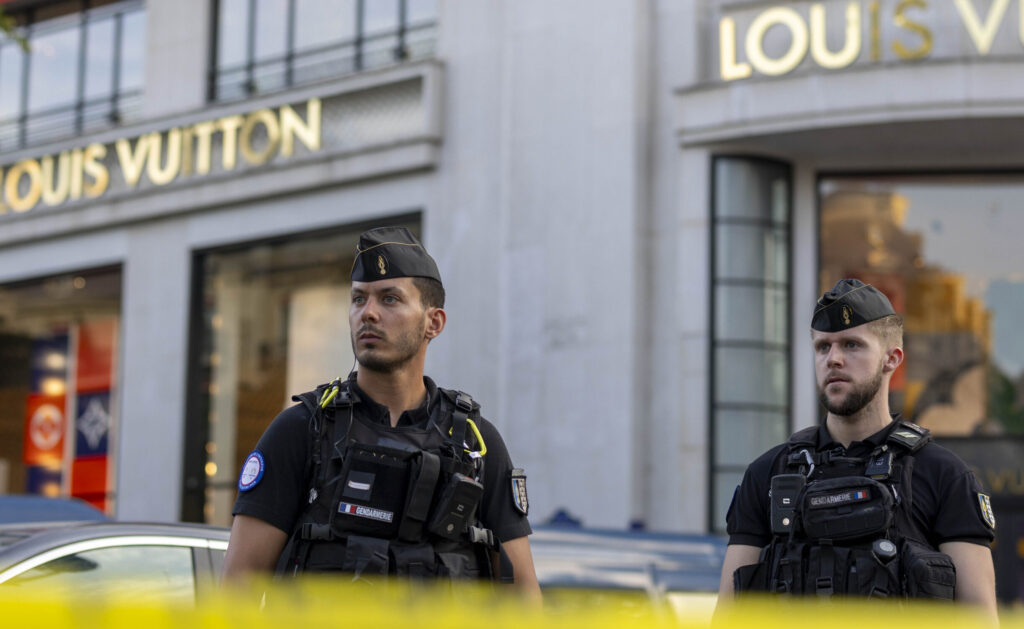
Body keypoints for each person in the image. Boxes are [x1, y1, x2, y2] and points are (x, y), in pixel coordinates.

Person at [222, 226, 541, 600]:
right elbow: (236, 593)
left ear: (434, 322)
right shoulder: (302, 430)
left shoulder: (476, 444)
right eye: (358, 299)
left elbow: (524, 602)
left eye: (390, 299)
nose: (368, 313)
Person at [717, 279, 997, 621]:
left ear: (891, 359)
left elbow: (980, 619)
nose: (833, 359)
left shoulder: (943, 475)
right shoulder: (769, 474)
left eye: (851, 345)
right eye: (823, 347)